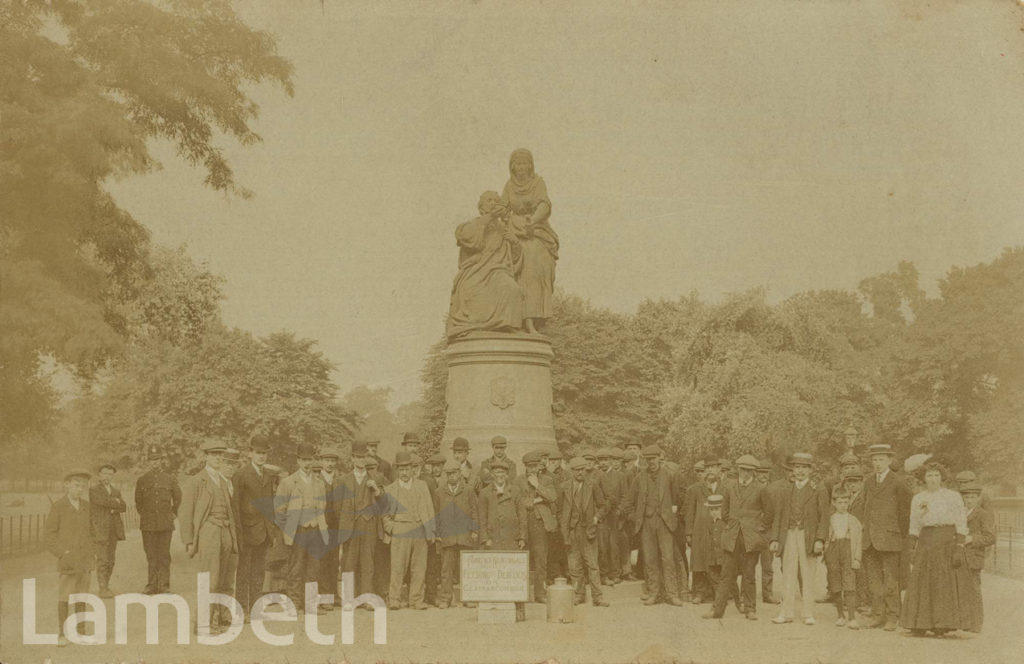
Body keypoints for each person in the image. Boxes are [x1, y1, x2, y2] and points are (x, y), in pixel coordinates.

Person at [900, 462, 968, 636]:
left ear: (942, 477)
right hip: (926, 541)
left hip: (946, 540)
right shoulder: (918, 498)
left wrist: (959, 546)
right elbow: (914, 525)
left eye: (936, 475)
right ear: (923, 478)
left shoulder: (953, 496)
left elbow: (961, 522)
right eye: (929, 475)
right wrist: (911, 547)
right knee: (923, 581)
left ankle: (941, 624)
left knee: (942, 582)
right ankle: (920, 623)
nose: (933, 479)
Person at [180, 440, 241, 634]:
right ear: (205, 456)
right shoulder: (197, 480)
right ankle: (203, 622)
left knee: (225, 578)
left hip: (226, 532)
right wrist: (189, 540)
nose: (217, 457)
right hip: (209, 531)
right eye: (213, 454)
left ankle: (219, 617)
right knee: (209, 578)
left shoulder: (223, 481)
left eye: (220, 454)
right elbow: (185, 512)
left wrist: (233, 538)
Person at [447, 190, 525, 340]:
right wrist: (489, 218)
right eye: (489, 201)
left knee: (511, 288)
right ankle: (482, 325)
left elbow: (512, 259)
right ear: (481, 207)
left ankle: (506, 324)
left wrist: (514, 242)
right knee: (474, 292)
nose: (493, 203)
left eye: (496, 200)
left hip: (498, 271)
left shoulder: (503, 228)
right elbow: (471, 241)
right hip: (475, 272)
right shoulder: (472, 224)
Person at [499, 148, 559, 334]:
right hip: (516, 232)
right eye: (517, 163)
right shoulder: (509, 186)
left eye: (525, 163)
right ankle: (525, 319)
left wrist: (532, 220)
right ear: (512, 166)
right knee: (525, 271)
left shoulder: (538, 182)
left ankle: (537, 316)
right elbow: (502, 208)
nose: (521, 167)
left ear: (531, 165)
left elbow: (544, 204)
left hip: (536, 229)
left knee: (542, 267)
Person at [770, 452, 829, 626]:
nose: (800, 471)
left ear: (810, 470)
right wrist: (774, 538)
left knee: (808, 574)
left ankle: (808, 613)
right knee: (787, 573)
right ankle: (786, 612)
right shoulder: (786, 489)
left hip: (808, 536)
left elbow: (823, 517)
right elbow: (778, 515)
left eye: (804, 467)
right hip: (788, 534)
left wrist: (820, 539)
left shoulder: (819, 489)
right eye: (797, 467)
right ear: (792, 470)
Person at [713, 454, 771, 620]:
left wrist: (759, 528)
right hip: (732, 536)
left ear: (754, 472)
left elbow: (769, 513)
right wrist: (732, 525)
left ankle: (750, 608)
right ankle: (718, 609)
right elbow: (724, 512)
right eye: (743, 470)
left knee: (749, 574)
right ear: (738, 469)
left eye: (749, 471)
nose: (745, 473)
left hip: (750, 538)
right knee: (726, 574)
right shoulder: (730, 487)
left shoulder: (761, 488)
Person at [861, 443, 912, 631]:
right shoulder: (868, 481)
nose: (877, 463)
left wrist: (899, 534)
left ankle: (893, 616)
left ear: (890, 460)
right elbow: (864, 507)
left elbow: (905, 512)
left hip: (891, 539)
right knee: (874, 581)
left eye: (881, 459)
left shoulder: (899, 482)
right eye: (874, 460)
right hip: (870, 540)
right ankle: (877, 615)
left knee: (891, 580)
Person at [623, 445, 682, 606]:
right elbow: (628, 502)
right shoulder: (639, 478)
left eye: (654, 459)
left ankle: (672, 594)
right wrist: (635, 517)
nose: (651, 462)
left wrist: (671, 516)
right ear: (644, 460)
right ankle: (653, 593)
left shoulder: (670, 476)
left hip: (665, 523)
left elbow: (677, 499)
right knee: (650, 559)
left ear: (659, 458)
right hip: (646, 524)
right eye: (648, 459)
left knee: (668, 559)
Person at [275, 443, 329, 615]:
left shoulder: (319, 483)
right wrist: (288, 530)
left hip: (315, 530)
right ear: (298, 460)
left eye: (310, 460)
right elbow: (279, 511)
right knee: (296, 568)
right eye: (304, 460)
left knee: (313, 569)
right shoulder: (289, 482)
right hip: (298, 530)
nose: (307, 463)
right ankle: (294, 604)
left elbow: (322, 507)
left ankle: (310, 605)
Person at [46, 468, 97, 647]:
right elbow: (49, 536)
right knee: (64, 596)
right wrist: (63, 553)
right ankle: (62, 633)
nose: (80, 489)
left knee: (82, 595)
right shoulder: (58, 507)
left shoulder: (86, 506)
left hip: (85, 560)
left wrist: (92, 553)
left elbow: (92, 531)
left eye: (82, 486)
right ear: (67, 485)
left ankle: (80, 632)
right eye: (76, 485)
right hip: (68, 560)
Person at [382, 450, 437, 610]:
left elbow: (429, 508)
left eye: (407, 469)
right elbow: (384, 515)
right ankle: (394, 599)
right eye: (401, 469)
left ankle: (416, 599)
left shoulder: (422, 486)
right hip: (401, 529)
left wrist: (430, 530)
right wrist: (393, 528)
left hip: (419, 528)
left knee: (419, 567)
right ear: (397, 470)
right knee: (398, 566)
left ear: (413, 469)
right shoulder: (391, 489)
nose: (405, 472)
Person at [232, 436, 276, 618]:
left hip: (264, 532)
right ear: (250, 453)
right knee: (244, 573)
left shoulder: (268, 475)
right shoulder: (241, 475)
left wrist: (272, 531)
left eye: (264, 453)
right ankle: (242, 609)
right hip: (247, 532)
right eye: (258, 453)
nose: (261, 456)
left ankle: (256, 608)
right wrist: (238, 533)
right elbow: (235, 507)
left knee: (259, 572)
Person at [337, 440, 385, 602]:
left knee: (367, 563)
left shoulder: (376, 478)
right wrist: (345, 522)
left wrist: (377, 491)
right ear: (352, 458)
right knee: (349, 563)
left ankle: (367, 598)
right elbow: (337, 507)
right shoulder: (343, 480)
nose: (360, 460)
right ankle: (349, 598)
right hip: (350, 526)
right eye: (357, 457)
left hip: (369, 525)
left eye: (363, 457)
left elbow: (385, 504)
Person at [559, 457, 610, 607]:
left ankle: (598, 597)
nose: (580, 472)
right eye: (577, 470)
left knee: (593, 565)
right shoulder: (564, 487)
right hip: (571, 532)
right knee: (574, 566)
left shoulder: (592, 485)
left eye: (582, 469)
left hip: (588, 531)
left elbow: (603, 505)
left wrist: (596, 518)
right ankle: (579, 595)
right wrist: (564, 528)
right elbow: (559, 509)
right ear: (572, 471)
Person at [135, 445, 182, 595]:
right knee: (151, 555)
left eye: (157, 459)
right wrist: (146, 515)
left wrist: (173, 513)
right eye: (151, 460)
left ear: (161, 460)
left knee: (164, 555)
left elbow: (178, 497)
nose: (154, 462)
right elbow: (138, 502)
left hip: (165, 523)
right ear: (148, 461)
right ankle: (151, 585)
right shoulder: (142, 480)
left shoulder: (170, 479)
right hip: (148, 524)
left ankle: (164, 585)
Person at [435, 460, 479, 608]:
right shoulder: (439, 492)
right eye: (448, 474)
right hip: (447, 537)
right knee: (446, 569)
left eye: (454, 473)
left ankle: (469, 597)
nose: (452, 477)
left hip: (464, 536)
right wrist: (437, 532)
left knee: (466, 568)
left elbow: (474, 511)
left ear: (460, 474)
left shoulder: (468, 490)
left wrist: (474, 530)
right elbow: (436, 514)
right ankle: (446, 598)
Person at [515, 451, 558, 602]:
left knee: (541, 559)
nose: (533, 469)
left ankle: (540, 593)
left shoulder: (546, 480)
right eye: (529, 467)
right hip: (524, 522)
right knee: (521, 558)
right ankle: (520, 593)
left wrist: (537, 485)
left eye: (535, 466)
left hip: (540, 524)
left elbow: (553, 497)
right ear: (525, 467)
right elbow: (520, 502)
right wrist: (537, 500)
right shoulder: (518, 481)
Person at [956, 481, 994, 633]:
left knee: (973, 589)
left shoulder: (983, 514)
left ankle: (976, 623)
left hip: (973, 556)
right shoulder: (959, 514)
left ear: (978, 498)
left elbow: (990, 537)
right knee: (961, 589)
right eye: (967, 497)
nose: (969, 500)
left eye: (972, 497)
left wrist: (972, 538)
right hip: (960, 556)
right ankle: (964, 621)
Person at [685, 456, 724, 604]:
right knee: (699, 562)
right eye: (707, 468)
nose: (710, 471)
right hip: (700, 531)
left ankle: (718, 593)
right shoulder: (695, 489)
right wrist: (689, 532)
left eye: (713, 468)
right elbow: (689, 512)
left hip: (718, 531)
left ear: (719, 469)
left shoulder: (726, 487)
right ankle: (699, 592)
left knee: (717, 561)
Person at [825, 490, 862, 629]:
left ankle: (852, 617)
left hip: (848, 552)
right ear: (834, 503)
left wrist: (857, 558)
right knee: (835, 582)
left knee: (849, 582)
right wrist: (827, 554)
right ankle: (840, 615)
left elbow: (858, 541)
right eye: (839, 502)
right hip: (834, 551)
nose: (843, 505)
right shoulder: (830, 519)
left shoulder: (853, 520)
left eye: (846, 502)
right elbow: (826, 539)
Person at [90, 462, 126, 598]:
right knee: (102, 559)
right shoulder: (94, 490)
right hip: (100, 529)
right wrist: (114, 503)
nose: (107, 476)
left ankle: (107, 585)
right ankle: (102, 588)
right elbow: (102, 502)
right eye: (105, 473)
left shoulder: (116, 491)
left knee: (111, 560)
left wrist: (114, 504)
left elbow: (123, 506)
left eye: (110, 474)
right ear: (99, 475)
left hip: (113, 530)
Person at [596, 448, 625, 586]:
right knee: (603, 545)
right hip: (602, 515)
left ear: (611, 461)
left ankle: (616, 573)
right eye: (600, 461)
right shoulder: (596, 476)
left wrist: (620, 510)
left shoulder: (620, 476)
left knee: (614, 545)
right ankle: (605, 574)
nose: (603, 463)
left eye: (606, 460)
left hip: (614, 515)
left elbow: (625, 496)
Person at [318, 447, 343, 607]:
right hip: (321, 526)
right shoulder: (316, 479)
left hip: (336, 526)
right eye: (327, 460)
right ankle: (325, 596)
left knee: (334, 561)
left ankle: (334, 594)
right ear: (321, 461)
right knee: (322, 560)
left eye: (333, 461)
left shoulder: (340, 480)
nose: (330, 464)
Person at [700, 494, 727, 619]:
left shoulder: (725, 523)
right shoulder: (709, 523)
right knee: (716, 582)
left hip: (724, 558)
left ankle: (719, 607)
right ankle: (717, 605)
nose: (714, 512)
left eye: (716, 509)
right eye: (711, 510)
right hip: (713, 558)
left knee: (727, 583)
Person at [754, 459, 775, 604]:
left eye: (766, 473)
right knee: (748, 565)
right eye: (760, 473)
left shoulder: (773, 490)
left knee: (768, 565)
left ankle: (767, 594)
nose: (763, 476)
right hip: (753, 532)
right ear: (755, 473)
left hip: (767, 532)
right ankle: (746, 593)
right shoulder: (751, 489)